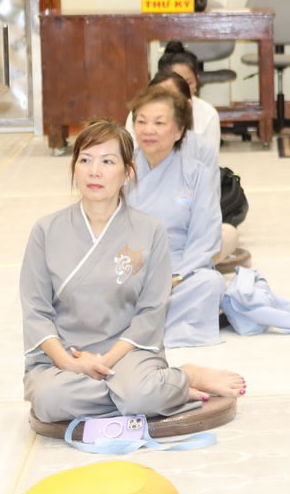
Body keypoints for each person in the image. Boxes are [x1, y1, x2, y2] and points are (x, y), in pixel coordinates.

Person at [21, 119, 244, 423]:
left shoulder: (150, 230)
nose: (94, 171)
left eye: (107, 161)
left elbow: (150, 312)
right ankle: (162, 389)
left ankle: (175, 379)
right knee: (50, 401)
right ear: (74, 168)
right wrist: (70, 363)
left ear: (128, 172)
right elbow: (36, 311)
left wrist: (105, 360)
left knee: (137, 393)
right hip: (64, 355)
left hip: (128, 353)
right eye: (85, 160)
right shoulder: (45, 230)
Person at [128, 83, 230, 348]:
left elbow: (205, 236)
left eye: (159, 123)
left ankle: (136, 330)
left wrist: (175, 277)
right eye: (141, 121)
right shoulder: (121, 168)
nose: (148, 130)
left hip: (177, 268)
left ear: (179, 131)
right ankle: (149, 323)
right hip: (129, 265)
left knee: (210, 282)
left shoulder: (196, 173)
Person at [124, 42, 220, 150]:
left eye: (187, 83)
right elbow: (131, 154)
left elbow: (210, 157)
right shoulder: (139, 112)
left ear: (197, 80)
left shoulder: (209, 114)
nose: (181, 91)